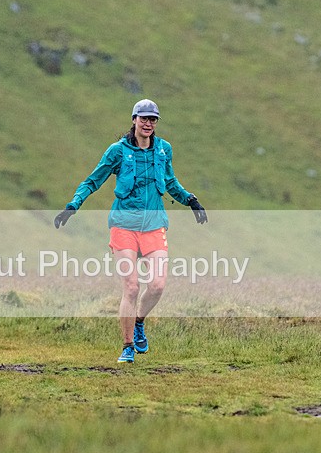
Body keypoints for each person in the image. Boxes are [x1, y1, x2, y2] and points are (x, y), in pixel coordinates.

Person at [54, 99, 207, 363]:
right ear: (134, 119)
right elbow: (93, 180)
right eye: (144, 118)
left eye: (153, 119)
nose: (148, 123)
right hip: (123, 225)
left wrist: (191, 201)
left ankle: (138, 323)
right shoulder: (117, 151)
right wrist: (72, 205)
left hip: (153, 225)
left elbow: (170, 181)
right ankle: (127, 347)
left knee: (157, 285)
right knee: (132, 287)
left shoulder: (163, 150)